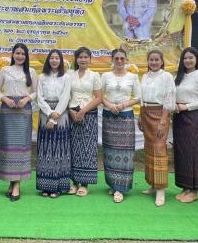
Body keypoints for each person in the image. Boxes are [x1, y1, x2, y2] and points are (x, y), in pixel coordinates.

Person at [0, 43, 37, 201]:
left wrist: (27, 98)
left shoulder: (31, 71)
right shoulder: (5, 70)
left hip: (23, 110)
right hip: (7, 110)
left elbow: (36, 91)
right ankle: (12, 181)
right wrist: (5, 98)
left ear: (26, 56)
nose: (20, 56)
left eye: (22, 54)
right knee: (8, 146)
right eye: (17, 53)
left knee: (21, 147)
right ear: (12, 54)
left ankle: (17, 184)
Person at [101, 48, 141, 203]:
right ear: (112, 59)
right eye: (116, 58)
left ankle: (121, 187)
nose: (119, 61)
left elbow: (138, 97)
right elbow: (99, 95)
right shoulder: (105, 76)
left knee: (125, 152)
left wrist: (124, 104)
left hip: (125, 116)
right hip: (109, 115)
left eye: (122, 58)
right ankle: (112, 183)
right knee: (110, 150)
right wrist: (110, 105)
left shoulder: (133, 76)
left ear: (126, 60)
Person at [173, 47, 198, 203]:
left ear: (196, 60)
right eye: (185, 58)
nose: (188, 61)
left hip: (193, 117)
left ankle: (194, 189)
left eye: (191, 58)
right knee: (181, 152)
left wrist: (186, 107)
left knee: (193, 152)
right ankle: (185, 187)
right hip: (179, 117)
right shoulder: (179, 77)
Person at [140, 49, 175, 207]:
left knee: (159, 149)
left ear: (162, 61)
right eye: (151, 60)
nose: (154, 62)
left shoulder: (166, 76)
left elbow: (169, 97)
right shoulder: (145, 76)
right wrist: (140, 116)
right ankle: (153, 185)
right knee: (149, 149)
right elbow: (141, 98)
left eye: (156, 60)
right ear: (148, 61)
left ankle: (161, 189)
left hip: (160, 113)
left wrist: (163, 120)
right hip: (145, 113)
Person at [36, 49, 71, 198]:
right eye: (52, 58)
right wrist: (49, 113)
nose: (54, 60)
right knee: (45, 149)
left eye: (57, 58)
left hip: (61, 115)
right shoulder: (42, 77)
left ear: (61, 60)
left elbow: (65, 97)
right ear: (48, 60)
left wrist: (54, 117)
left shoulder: (66, 77)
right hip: (45, 113)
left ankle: (57, 186)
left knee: (59, 149)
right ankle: (46, 186)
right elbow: (39, 97)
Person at [68, 46, 102, 197]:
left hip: (89, 114)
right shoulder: (70, 75)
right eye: (80, 57)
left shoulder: (94, 76)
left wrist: (83, 111)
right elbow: (66, 96)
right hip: (72, 114)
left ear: (90, 59)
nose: (83, 59)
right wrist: (71, 111)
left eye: (85, 57)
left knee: (87, 149)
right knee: (73, 148)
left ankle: (84, 183)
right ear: (76, 59)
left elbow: (98, 98)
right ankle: (74, 182)